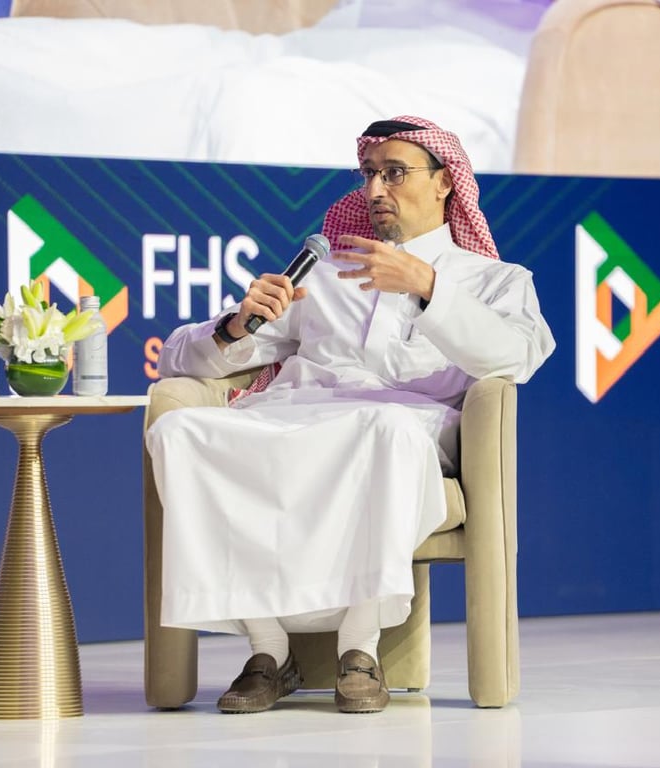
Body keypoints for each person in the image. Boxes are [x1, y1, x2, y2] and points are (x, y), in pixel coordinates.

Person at [145, 115, 555, 714]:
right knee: (179, 430)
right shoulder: (326, 275)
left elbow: (516, 356)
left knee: (383, 431)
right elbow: (179, 357)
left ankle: (359, 650)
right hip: (293, 421)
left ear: (446, 182)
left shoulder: (494, 281)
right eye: (368, 174)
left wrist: (429, 286)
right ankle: (268, 651)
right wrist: (234, 325)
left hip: (403, 431)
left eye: (394, 173)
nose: (375, 189)